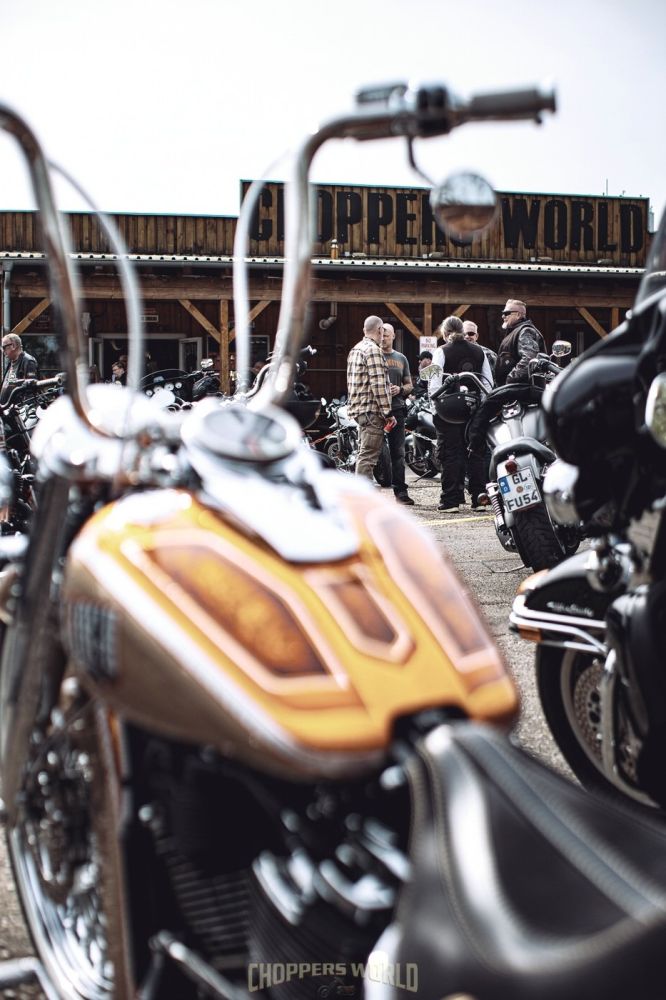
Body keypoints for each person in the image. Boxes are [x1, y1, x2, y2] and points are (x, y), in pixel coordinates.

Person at [428, 315, 490, 513]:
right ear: (463, 331)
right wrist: (482, 409)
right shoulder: (480, 351)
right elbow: (487, 383)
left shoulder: (441, 351)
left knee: (450, 453)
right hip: (474, 408)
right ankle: (479, 499)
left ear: (445, 333)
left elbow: (434, 384)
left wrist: (434, 409)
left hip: (448, 410)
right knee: (476, 452)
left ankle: (450, 501)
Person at [346, 315, 396, 480]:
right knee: (368, 458)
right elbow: (378, 384)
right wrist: (388, 412)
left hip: (359, 410)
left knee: (363, 453)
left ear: (364, 330)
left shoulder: (356, 349)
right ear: (380, 330)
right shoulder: (373, 350)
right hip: (371, 411)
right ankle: (362, 492)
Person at [380, 323, 414, 505]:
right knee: (372, 453)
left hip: (397, 409)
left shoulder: (401, 358)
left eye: (387, 335)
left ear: (393, 336)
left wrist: (399, 389)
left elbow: (410, 385)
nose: (383, 338)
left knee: (398, 453)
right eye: (381, 334)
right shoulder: (374, 356)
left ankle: (400, 492)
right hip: (376, 410)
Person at [495, 299, 546, 386]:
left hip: (521, 390)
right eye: (503, 313)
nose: (503, 316)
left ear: (518, 315)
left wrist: (510, 380)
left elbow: (529, 359)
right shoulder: (515, 331)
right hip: (513, 389)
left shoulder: (526, 331)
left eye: (507, 313)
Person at [0, 333, 38, 404]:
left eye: (4, 347)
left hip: (18, 409)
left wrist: (22, 407)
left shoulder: (28, 361)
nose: (3, 351)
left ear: (13, 346)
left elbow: (31, 391)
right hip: (7, 409)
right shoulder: (11, 363)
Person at [463, 320, 496, 386]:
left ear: (477, 336)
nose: (467, 336)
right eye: (463, 334)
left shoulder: (489, 354)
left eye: (470, 333)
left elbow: (495, 379)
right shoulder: (455, 353)